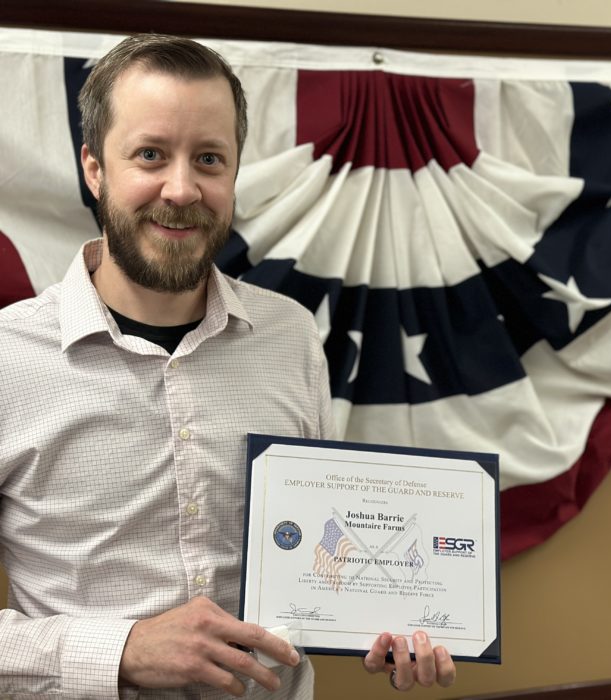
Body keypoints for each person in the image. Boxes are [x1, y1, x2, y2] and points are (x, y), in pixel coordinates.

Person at [0, 34, 456, 698]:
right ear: (94, 169)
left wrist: (388, 620)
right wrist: (120, 650)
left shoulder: (290, 336)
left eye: (209, 159)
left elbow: (323, 550)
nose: (182, 189)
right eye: (150, 155)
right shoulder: (9, 357)